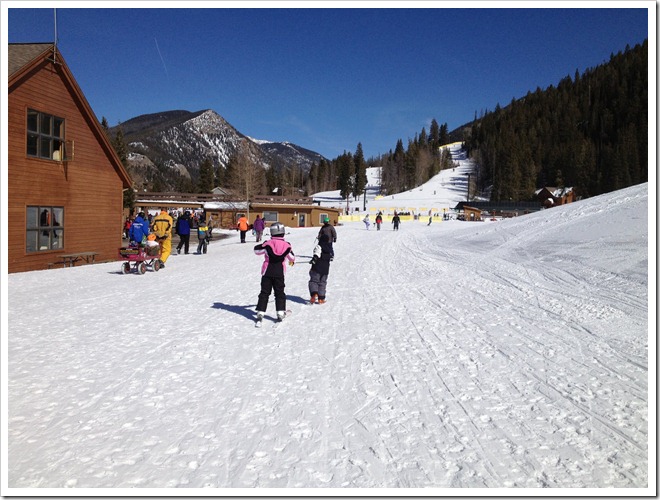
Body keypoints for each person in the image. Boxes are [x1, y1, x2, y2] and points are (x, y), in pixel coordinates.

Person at [253, 222, 295, 325]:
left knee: (264, 292)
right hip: (279, 273)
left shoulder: (268, 244)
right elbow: (292, 257)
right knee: (279, 293)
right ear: (283, 232)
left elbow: (257, 251)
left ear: (272, 232)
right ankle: (280, 312)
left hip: (267, 272)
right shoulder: (287, 245)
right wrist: (291, 260)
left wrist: (263, 244)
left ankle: (260, 311)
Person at [308, 239, 333, 304]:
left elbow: (317, 253)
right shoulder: (329, 249)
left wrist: (314, 259)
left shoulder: (319, 246)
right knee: (322, 283)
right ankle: (321, 299)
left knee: (314, 281)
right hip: (325, 270)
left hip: (317, 269)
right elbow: (331, 257)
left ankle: (314, 294)